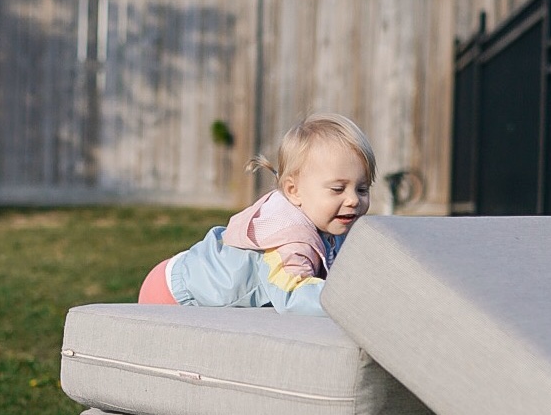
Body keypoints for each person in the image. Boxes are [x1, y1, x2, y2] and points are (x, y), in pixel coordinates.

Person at [138, 113, 376, 316]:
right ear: (294, 191)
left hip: (182, 274)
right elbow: (291, 294)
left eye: (362, 189)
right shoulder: (288, 239)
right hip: (174, 293)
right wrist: (354, 303)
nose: (354, 199)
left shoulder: (329, 221)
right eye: (338, 189)